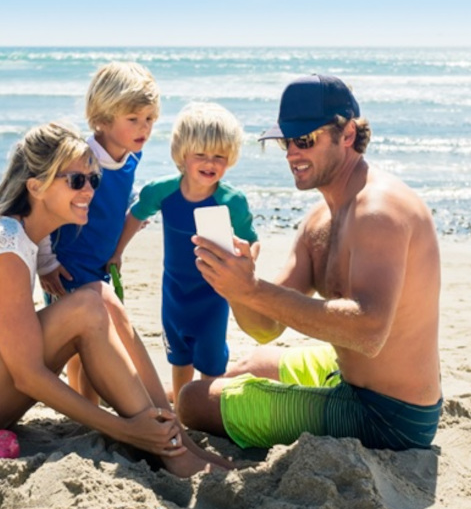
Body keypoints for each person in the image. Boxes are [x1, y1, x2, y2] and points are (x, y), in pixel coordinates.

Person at [0, 122, 222, 477]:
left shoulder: (28, 237)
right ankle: (164, 445)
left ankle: (173, 436)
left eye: (94, 179)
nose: (89, 189)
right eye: (76, 180)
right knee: (86, 307)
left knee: (99, 295)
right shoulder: (5, 244)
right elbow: (28, 375)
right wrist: (123, 430)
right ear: (36, 186)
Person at [176, 74, 443, 452]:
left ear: (347, 134)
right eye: (286, 142)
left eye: (304, 141)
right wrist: (234, 288)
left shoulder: (380, 210)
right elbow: (265, 327)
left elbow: (369, 332)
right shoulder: (320, 220)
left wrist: (254, 290)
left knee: (193, 400)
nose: (291, 155)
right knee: (249, 364)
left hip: (391, 416)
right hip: (347, 378)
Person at [111, 102, 258, 404]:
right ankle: (181, 406)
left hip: (213, 293)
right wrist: (117, 252)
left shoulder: (232, 200)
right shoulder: (162, 191)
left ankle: (209, 409)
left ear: (230, 158)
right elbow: (136, 215)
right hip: (175, 292)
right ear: (182, 154)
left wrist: (247, 257)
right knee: (178, 356)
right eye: (200, 155)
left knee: (211, 357)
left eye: (219, 156)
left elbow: (251, 241)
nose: (210, 163)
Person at [37, 62, 165, 405]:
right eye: (134, 119)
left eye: (150, 118)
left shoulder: (133, 156)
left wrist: (119, 244)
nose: (145, 128)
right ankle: (90, 407)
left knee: (96, 343)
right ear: (103, 119)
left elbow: (116, 197)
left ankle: (90, 406)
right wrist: (46, 262)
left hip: (101, 263)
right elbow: (47, 208)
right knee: (86, 345)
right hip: (69, 265)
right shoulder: (82, 159)